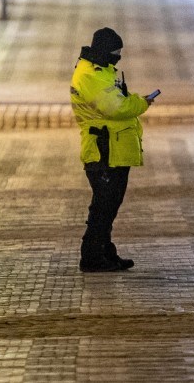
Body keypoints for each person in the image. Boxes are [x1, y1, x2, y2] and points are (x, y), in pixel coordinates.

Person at [70, 27, 158, 273]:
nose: (117, 56)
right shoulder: (91, 74)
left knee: (109, 204)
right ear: (102, 51)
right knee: (103, 205)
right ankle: (92, 256)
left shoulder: (102, 70)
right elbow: (115, 107)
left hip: (113, 148)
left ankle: (105, 253)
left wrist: (135, 101)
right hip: (103, 149)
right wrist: (141, 102)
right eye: (114, 52)